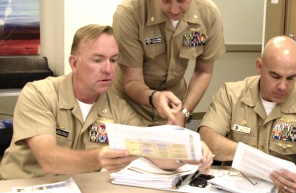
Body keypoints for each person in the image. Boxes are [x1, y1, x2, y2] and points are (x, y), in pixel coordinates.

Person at [0, 24, 213, 180]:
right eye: (98, 60)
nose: (108, 69)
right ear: (74, 63)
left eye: (113, 60)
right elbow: (49, 159)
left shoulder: (118, 108)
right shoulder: (39, 94)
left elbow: (153, 151)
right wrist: (99, 158)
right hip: (23, 190)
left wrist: (187, 152)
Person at [199, 36, 296, 193]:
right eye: (275, 76)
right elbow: (207, 137)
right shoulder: (231, 94)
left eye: (291, 78)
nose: (283, 86)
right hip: (234, 189)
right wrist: (249, 154)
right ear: (259, 66)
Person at [109, 0, 226, 127]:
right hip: (128, 106)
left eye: (182, 0)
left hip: (174, 108)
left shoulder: (208, 14)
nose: (174, 9)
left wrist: (184, 112)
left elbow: (203, 71)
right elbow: (132, 80)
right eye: (165, 0)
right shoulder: (129, 13)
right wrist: (154, 97)